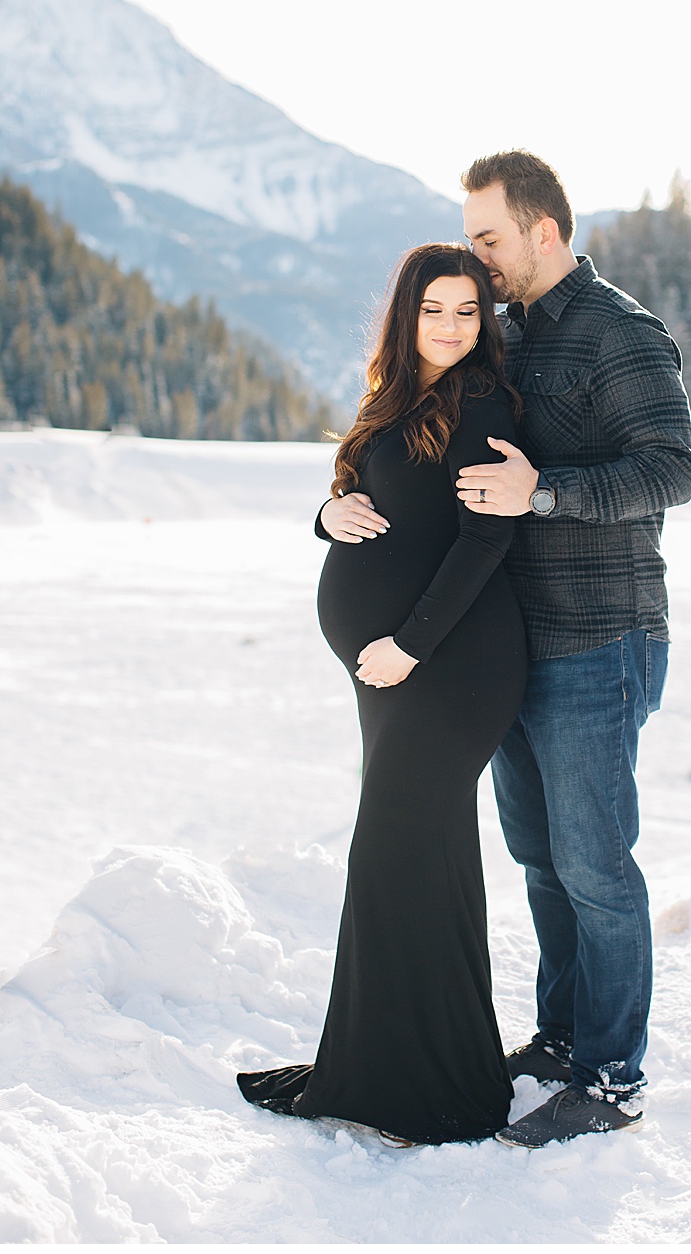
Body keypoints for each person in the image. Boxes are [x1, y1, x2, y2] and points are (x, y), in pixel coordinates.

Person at [325, 151, 691, 1149]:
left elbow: (672, 469)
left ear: (543, 229)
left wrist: (545, 490)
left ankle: (614, 1076)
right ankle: (564, 1033)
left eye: (489, 238)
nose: (479, 262)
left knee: (594, 863)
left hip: (600, 636)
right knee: (540, 857)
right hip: (515, 647)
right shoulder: (506, 338)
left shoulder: (622, 332)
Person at [237, 243, 528, 1146]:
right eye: (434, 309)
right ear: (406, 314)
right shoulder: (398, 394)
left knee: (395, 855)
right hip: (399, 674)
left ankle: (424, 1087)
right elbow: (355, 493)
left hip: (451, 664)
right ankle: (406, 1071)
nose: (450, 326)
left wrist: (407, 642)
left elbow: (486, 543)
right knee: (417, 859)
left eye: (468, 311)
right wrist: (324, 516)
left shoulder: (482, 403)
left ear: (485, 321)